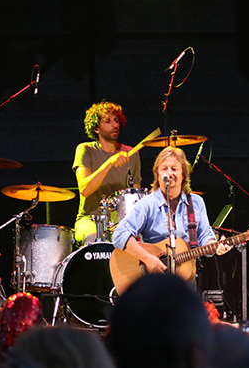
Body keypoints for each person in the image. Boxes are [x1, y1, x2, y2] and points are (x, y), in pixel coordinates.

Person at [112, 146, 230, 278]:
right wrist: (148, 259)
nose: (169, 173)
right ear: (157, 174)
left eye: (174, 169)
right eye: (164, 169)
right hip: (152, 281)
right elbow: (119, 234)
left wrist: (215, 246)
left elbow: (204, 236)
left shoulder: (196, 203)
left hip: (185, 279)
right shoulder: (147, 204)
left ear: (183, 174)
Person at [73, 101, 142, 244]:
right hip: (90, 219)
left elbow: (136, 197)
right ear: (96, 128)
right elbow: (85, 189)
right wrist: (109, 163)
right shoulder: (85, 150)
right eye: (108, 121)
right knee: (93, 240)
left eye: (116, 120)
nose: (115, 125)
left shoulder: (132, 154)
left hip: (121, 222)